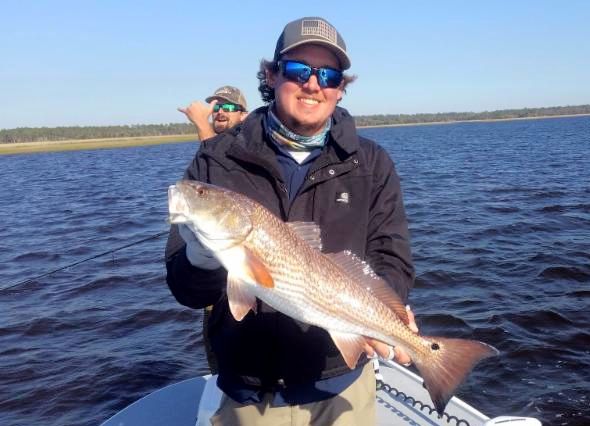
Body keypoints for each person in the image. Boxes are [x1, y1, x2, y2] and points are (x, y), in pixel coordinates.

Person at [165, 16, 416, 425]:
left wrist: (390, 309)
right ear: (272, 75)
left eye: (328, 75)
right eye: (299, 70)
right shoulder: (216, 159)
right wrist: (201, 259)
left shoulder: (372, 163)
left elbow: (392, 254)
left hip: (343, 381)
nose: (313, 84)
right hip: (251, 388)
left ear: (340, 87)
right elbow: (185, 290)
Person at [178, 85, 248, 141]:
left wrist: (201, 122)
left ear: (243, 115)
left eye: (228, 107)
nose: (220, 112)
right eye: (215, 107)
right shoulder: (219, 143)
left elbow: (213, 153)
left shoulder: (247, 143)